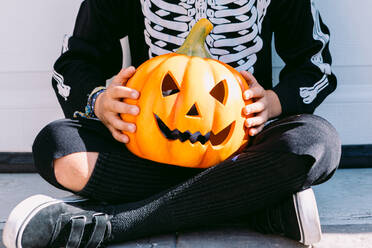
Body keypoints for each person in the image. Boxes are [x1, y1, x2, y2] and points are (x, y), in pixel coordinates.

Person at [3, 0, 341, 247]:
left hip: (244, 148)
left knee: (314, 143)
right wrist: (98, 102)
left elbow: (316, 66)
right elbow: (75, 61)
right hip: (147, 147)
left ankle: (115, 225)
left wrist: (274, 102)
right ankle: (254, 205)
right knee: (59, 147)